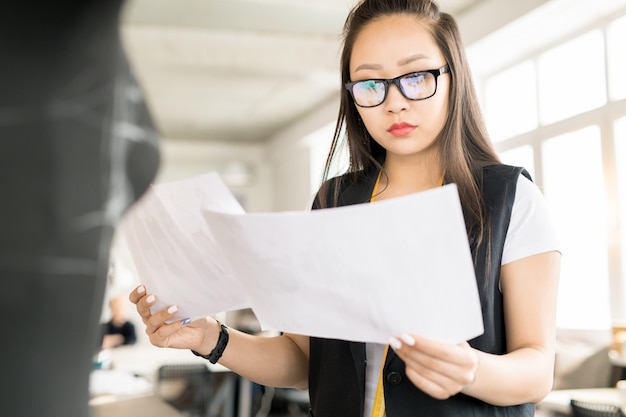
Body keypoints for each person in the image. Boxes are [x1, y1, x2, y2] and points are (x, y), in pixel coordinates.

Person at [130, 0, 561, 416]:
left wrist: (472, 370)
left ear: (453, 77)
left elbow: (537, 369)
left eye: (416, 76)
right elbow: (302, 361)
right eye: (371, 84)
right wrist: (208, 336)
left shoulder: (511, 199)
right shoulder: (334, 202)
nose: (394, 101)